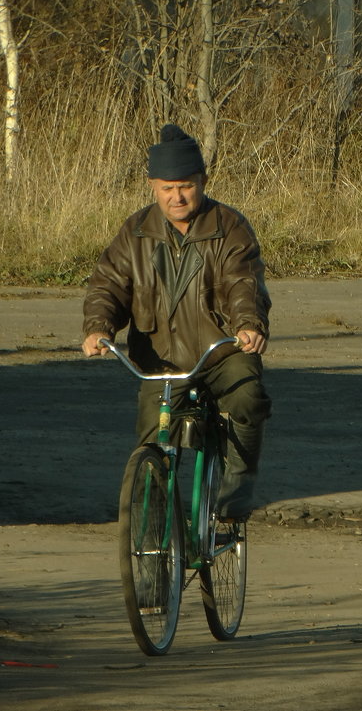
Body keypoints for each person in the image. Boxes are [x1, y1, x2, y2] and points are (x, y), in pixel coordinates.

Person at [81, 123, 272, 520]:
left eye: (185, 185)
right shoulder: (135, 232)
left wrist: (248, 324)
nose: (177, 196)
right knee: (152, 444)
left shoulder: (229, 227)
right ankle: (150, 538)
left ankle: (238, 486)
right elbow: (109, 284)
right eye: (167, 188)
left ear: (202, 181)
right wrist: (98, 328)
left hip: (220, 351)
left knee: (248, 398)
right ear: (153, 186)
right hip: (162, 363)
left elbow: (243, 282)